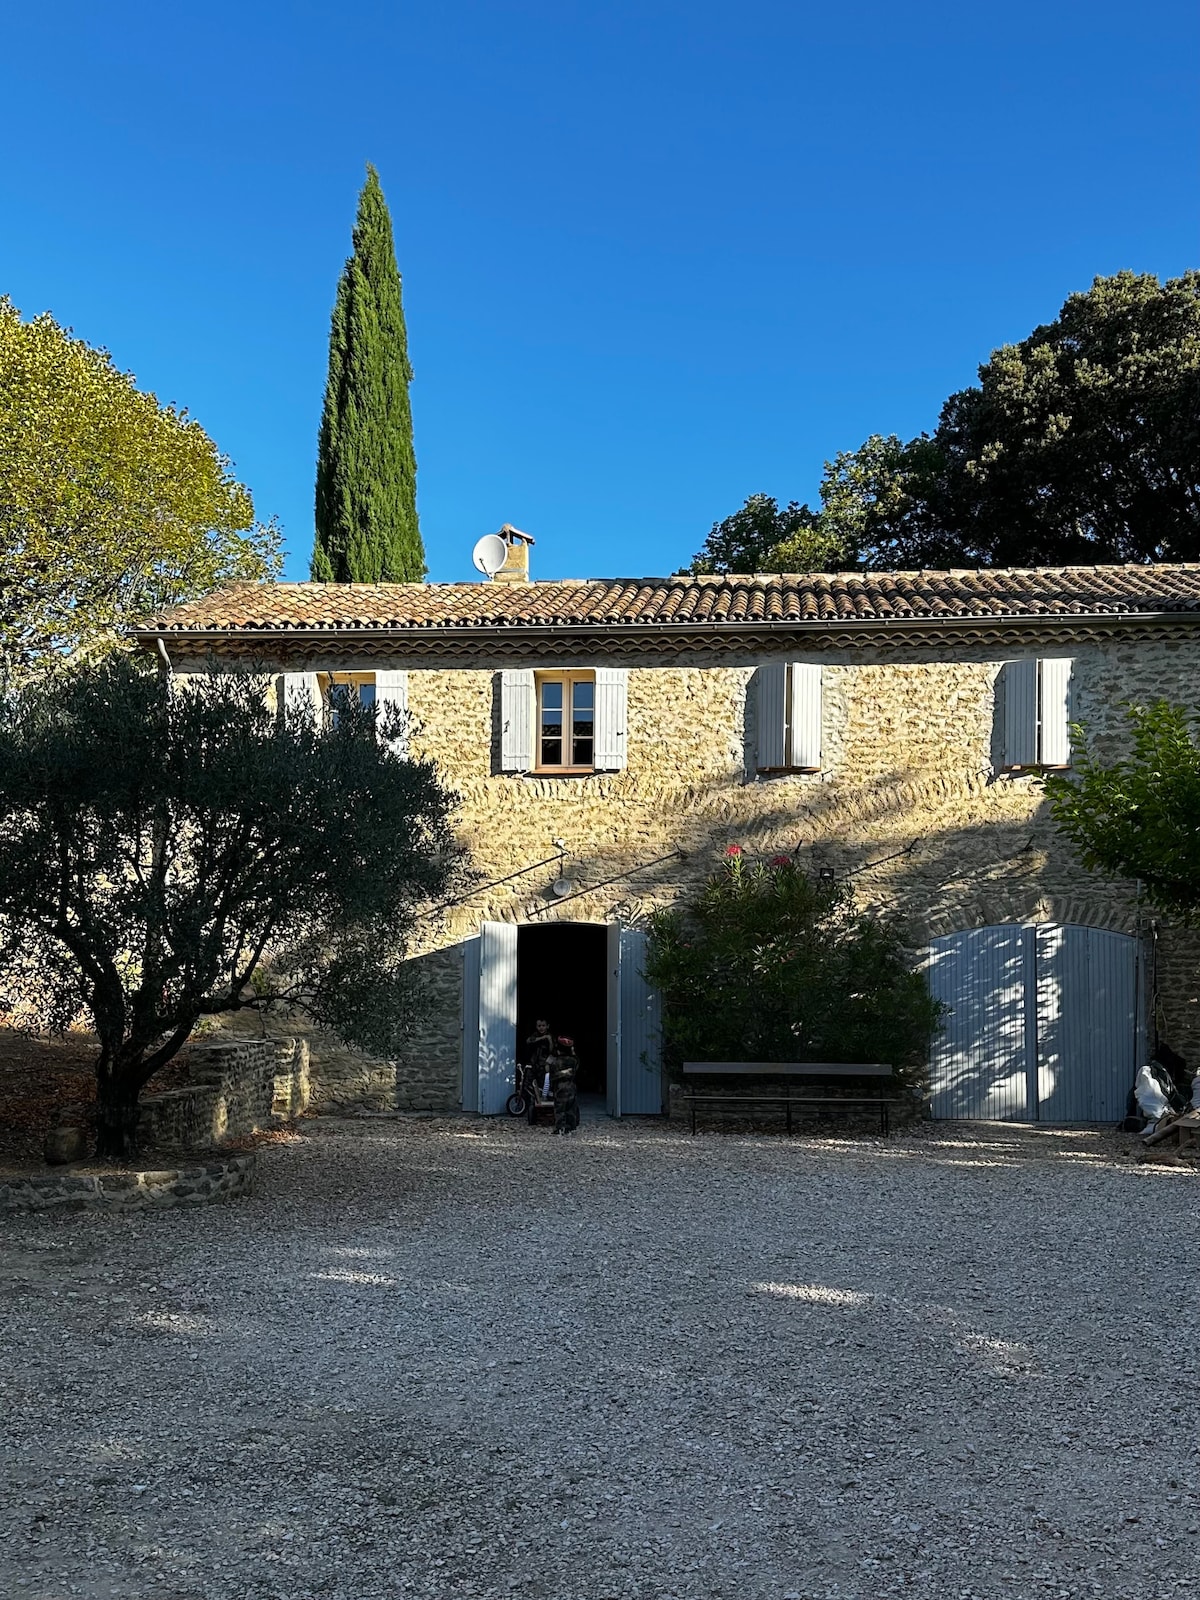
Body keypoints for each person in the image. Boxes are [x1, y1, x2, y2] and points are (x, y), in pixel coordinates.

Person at [525, 1019, 554, 1099]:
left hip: (543, 1066)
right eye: (539, 1026)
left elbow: (553, 1052)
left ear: (547, 1026)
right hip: (532, 1064)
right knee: (527, 1085)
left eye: (543, 1026)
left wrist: (550, 1040)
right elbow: (528, 1041)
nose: (541, 1028)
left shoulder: (550, 1036)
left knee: (543, 1086)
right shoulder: (535, 1035)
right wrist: (543, 1037)